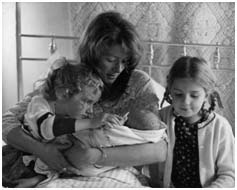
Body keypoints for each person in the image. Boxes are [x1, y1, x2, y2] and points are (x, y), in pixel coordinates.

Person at [2, 11, 167, 188]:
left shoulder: (138, 83)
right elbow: (6, 122)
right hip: (52, 165)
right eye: (110, 59)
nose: (118, 68)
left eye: (125, 61)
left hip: (110, 169)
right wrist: (42, 150)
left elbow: (159, 149)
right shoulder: (69, 79)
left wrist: (94, 156)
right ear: (93, 53)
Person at [153, 56, 234, 187]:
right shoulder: (160, 119)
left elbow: (229, 175)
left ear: (206, 95)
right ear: (170, 92)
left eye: (194, 96)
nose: (185, 102)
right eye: (178, 94)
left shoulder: (220, 127)